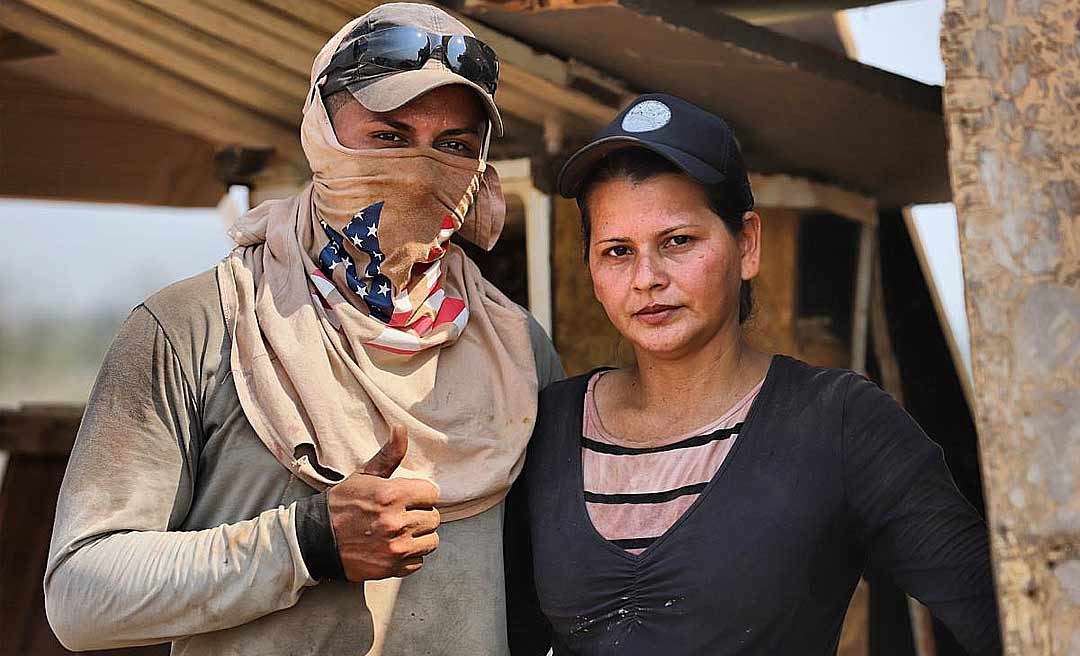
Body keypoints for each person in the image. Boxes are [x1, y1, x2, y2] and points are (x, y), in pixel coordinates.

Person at [44, 4, 562, 655]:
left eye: (454, 146)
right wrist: (305, 544)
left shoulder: (515, 350)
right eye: (390, 137)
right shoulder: (201, 325)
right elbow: (82, 597)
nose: (421, 168)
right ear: (321, 132)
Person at [506, 93, 1001, 654]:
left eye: (678, 241)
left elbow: (1003, 612)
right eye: (618, 251)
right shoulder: (548, 426)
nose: (647, 277)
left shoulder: (838, 423)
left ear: (747, 245)